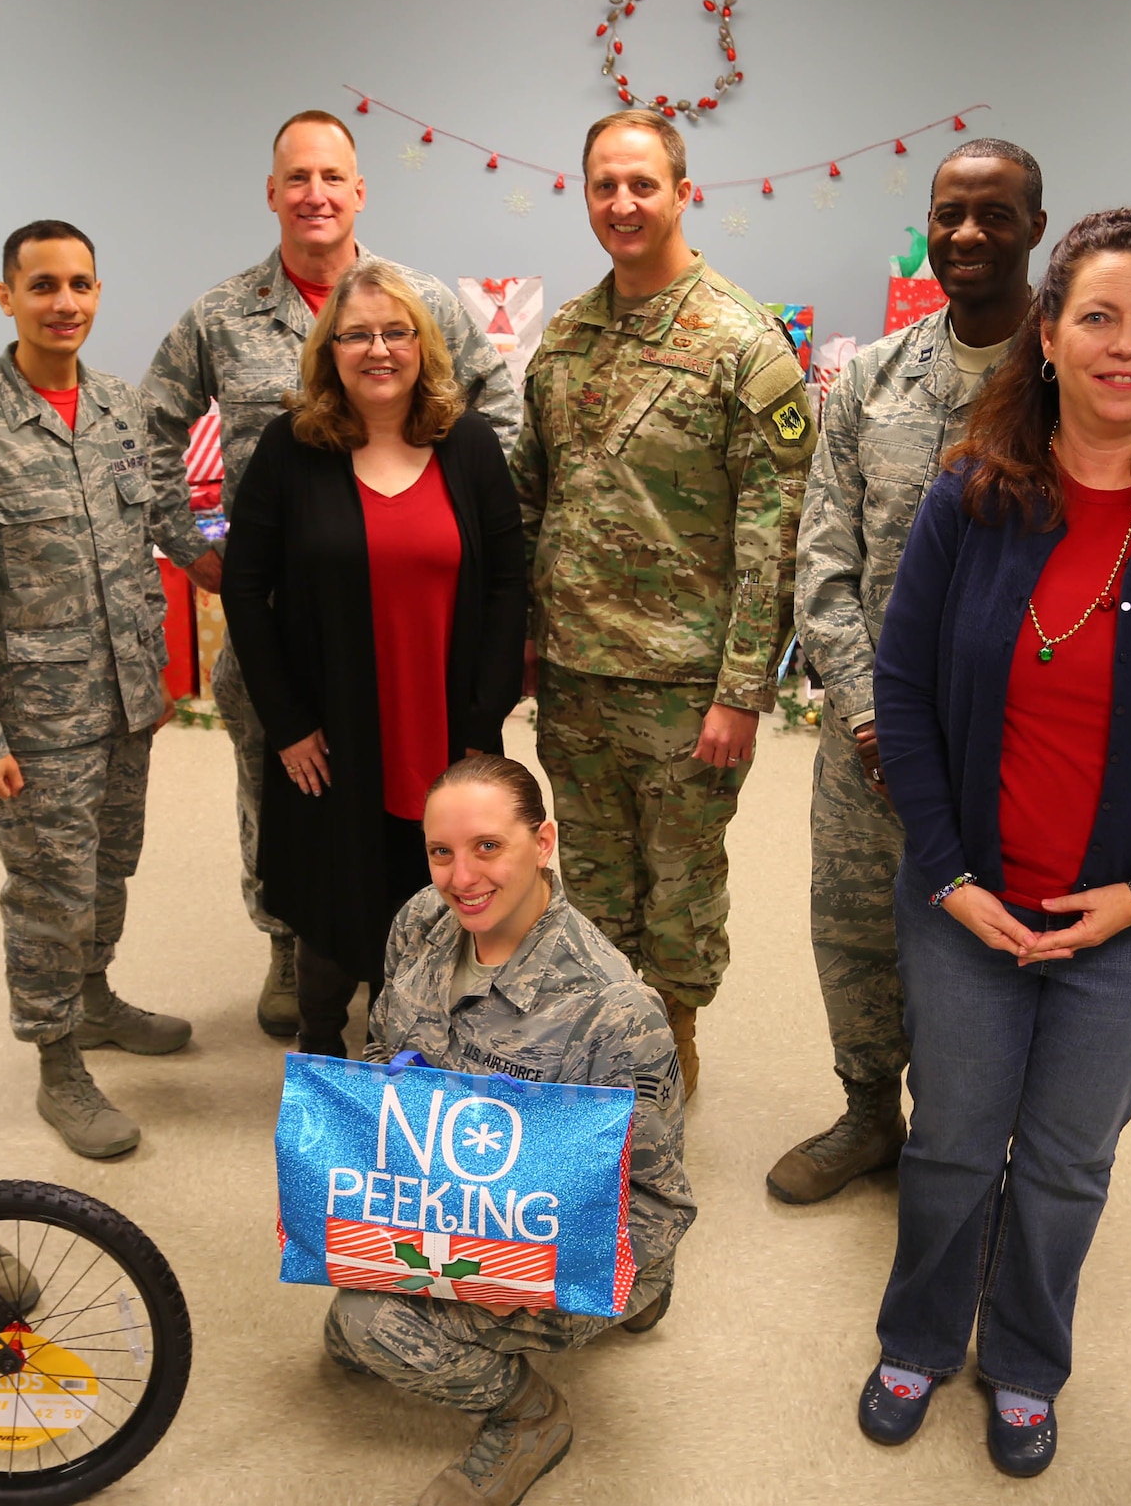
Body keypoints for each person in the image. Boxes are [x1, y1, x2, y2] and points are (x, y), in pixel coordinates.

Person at [854, 210, 1131, 1477]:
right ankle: (918, 1335)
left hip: (1128, 928)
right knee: (949, 1137)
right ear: (1045, 338)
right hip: (967, 902)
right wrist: (942, 871)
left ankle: (1025, 1365)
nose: (1125, 346)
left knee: (1063, 1161)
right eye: (1096, 318)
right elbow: (900, 689)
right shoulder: (971, 495)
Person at [143, 110, 521, 1043]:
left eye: (333, 177)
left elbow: (500, 408)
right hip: (288, 619)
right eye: (296, 177)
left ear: (359, 191)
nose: (315, 192)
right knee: (291, 804)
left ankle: (413, 976)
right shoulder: (222, 314)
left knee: (415, 821)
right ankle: (292, 943)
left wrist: (468, 492)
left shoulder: (421, 298)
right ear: (273, 193)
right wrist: (194, 546)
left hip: (420, 608)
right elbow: (146, 431)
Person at [512, 110, 814, 1099]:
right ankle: (608, 1047)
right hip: (575, 673)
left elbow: (774, 523)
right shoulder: (565, 336)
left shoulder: (737, 336)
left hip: (686, 686)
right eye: (604, 185)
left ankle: (671, 1042)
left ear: (682, 192)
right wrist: (519, 641)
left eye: (642, 184)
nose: (622, 203)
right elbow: (530, 495)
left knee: (679, 892)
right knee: (592, 882)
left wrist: (741, 692)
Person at [769, 140, 1049, 1205]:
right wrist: (867, 715)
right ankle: (865, 1115)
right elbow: (820, 562)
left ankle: (961, 1136)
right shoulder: (870, 380)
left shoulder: (1066, 382)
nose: (966, 234)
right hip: (867, 737)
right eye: (947, 214)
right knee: (851, 926)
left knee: (980, 939)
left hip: (1005, 744)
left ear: (1031, 227)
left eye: (991, 214)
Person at [325, 755, 693, 1506]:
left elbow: (658, 1206)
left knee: (364, 1322)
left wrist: (523, 1282)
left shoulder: (614, 1009)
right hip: (451, 1203)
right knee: (341, 1282)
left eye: (488, 846)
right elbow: (378, 1068)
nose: (461, 878)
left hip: (564, 1239)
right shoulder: (422, 923)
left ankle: (529, 1416)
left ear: (544, 841)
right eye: (442, 851)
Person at [0, 220, 190, 1161]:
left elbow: (165, 522)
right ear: (7, 297)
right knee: (49, 890)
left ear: (99, 292)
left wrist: (251, 568)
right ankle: (58, 1058)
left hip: (126, 701)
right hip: (37, 719)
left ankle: (96, 996)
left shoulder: (119, 408)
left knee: (112, 865)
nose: (63, 302)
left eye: (79, 283)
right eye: (42, 285)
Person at [219, 259, 525, 1057]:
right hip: (332, 727)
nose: (378, 349)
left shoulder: (469, 446)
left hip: (445, 723)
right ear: (330, 351)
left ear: (423, 346)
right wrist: (285, 722)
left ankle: (415, 1050)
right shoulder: (292, 448)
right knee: (331, 895)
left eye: (396, 333)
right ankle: (323, 1050)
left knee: (433, 889)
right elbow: (246, 591)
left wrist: (483, 723)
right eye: (356, 334)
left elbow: (506, 585)